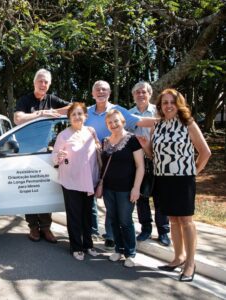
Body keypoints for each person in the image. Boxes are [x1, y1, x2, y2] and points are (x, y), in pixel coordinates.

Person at [138, 89, 211, 282]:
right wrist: (146, 147)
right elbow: (154, 156)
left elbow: (205, 152)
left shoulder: (188, 124)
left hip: (183, 179)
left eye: (172, 102)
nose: (168, 105)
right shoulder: (158, 125)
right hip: (163, 179)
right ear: (160, 106)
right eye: (164, 103)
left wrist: (194, 171)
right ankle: (178, 257)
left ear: (179, 104)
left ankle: (190, 263)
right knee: (173, 220)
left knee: (186, 221)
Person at [85, 80, 155, 249]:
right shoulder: (86, 112)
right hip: (89, 161)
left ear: (109, 93)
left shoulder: (118, 111)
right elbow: (70, 115)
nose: (101, 92)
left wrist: (171, 118)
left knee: (114, 204)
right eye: (97, 90)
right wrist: (43, 112)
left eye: (104, 89)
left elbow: (140, 121)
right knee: (91, 197)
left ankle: (111, 236)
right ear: (92, 94)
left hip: (114, 162)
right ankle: (93, 230)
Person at [14, 68, 70, 243]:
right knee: (30, 189)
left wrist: (56, 113)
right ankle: (33, 227)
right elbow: (18, 118)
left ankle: (46, 228)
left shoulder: (51, 99)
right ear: (34, 82)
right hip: (26, 152)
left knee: (45, 190)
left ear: (49, 84)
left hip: (46, 152)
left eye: (46, 81)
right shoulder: (25, 100)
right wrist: (41, 114)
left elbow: (73, 108)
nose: (43, 84)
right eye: (40, 80)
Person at [52, 102, 100, 260]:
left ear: (86, 116)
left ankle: (88, 244)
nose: (77, 117)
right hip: (71, 181)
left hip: (89, 180)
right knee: (74, 215)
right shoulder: (63, 135)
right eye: (74, 114)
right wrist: (58, 157)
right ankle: (76, 247)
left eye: (80, 114)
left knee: (88, 215)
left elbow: (97, 150)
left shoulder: (91, 131)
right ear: (69, 118)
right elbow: (55, 157)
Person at [128, 82, 170, 246]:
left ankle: (163, 231)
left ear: (149, 94)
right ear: (133, 95)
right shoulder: (129, 115)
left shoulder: (158, 112)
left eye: (143, 92)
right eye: (137, 92)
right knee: (142, 197)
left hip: (158, 159)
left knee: (160, 197)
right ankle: (146, 229)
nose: (140, 94)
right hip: (138, 161)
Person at [102, 110, 144, 268]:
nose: (113, 125)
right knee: (113, 219)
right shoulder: (105, 141)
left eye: (116, 121)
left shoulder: (132, 140)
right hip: (108, 189)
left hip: (126, 189)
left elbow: (140, 166)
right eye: (110, 123)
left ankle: (130, 253)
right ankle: (118, 249)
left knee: (125, 221)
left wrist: (136, 188)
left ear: (123, 122)